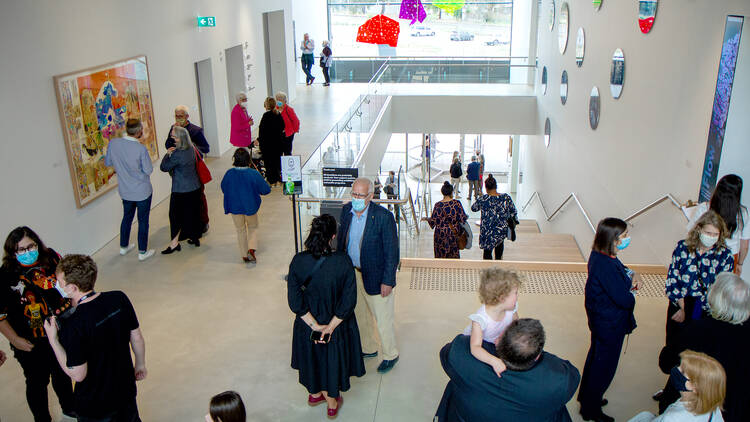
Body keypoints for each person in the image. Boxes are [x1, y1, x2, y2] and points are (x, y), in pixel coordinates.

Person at [44, 254, 146, 421]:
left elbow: (78, 374)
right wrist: (140, 364)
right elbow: (136, 338)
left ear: (72, 288)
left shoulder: (73, 324)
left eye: (60, 283)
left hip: (95, 405)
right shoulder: (118, 298)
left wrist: (53, 341)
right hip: (125, 390)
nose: (57, 285)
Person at [288, 214, 365, 419]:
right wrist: (329, 327)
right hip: (336, 325)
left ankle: (314, 394)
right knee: (330, 362)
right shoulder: (342, 262)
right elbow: (349, 301)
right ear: (332, 236)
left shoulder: (298, 261)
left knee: (312, 359)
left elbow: (295, 303)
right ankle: (331, 403)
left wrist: (315, 326)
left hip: (307, 325)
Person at [436, 318, 580, 421]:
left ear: (497, 342)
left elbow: (445, 354)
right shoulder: (559, 379)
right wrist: (530, 350)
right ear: (537, 356)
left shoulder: (462, 354)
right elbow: (573, 374)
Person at [0, 227, 75, 421]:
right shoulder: (5, 275)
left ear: (37, 243)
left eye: (30, 246)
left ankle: (69, 409)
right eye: (20, 250)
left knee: (62, 373)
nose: (27, 252)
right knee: (36, 382)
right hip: (29, 340)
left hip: (59, 332)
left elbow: (67, 285)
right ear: (12, 252)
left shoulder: (51, 257)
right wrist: (15, 339)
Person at [657, 272, 750, 421]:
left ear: (716, 299)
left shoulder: (699, 330)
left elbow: (666, 363)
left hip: (698, 409)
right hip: (738, 410)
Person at [578, 217, 642, 422]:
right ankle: (591, 409)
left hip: (600, 320)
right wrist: (632, 289)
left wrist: (633, 274)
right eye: (623, 236)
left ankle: (587, 397)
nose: (626, 239)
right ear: (613, 239)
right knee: (603, 366)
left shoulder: (601, 255)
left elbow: (623, 269)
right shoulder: (605, 264)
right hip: (609, 323)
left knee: (595, 358)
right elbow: (624, 299)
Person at [337, 178, 400, 374]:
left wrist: (388, 280)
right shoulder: (346, 213)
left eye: (360, 195)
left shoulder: (383, 217)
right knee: (360, 316)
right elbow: (342, 243)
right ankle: (368, 348)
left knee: (382, 318)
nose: (356, 198)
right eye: (353, 194)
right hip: (353, 274)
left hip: (376, 276)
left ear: (371, 196)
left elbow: (392, 252)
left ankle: (390, 354)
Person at [660, 211, 734, 372]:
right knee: (674, 347)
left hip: (703, 313)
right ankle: (672, 387)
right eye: (708, 232)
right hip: (678, 307)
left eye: (715, 234)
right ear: (699, 229)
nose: (711, 237)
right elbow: (672, 281)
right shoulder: (682, 248)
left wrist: (690, 310)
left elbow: (720, 291)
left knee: (695, 353)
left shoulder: (725, 256)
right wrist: (683, 306)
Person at [104, 118, 155, 262]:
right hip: (142, 191)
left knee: (127, 217)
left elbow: (108, 162)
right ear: (139, 131)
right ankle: (142, 251)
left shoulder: (113, 144)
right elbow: (148, 170)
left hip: (125, 190)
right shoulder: (140, 148)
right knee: (143, 220)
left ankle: (123, 246)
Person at [629, 350, 726, 422]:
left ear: (694, 387)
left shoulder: (672, 418)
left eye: (683, 371)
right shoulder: (711, 405)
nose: (676, 369)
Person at [462, 267, 520, 377]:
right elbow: (475, 347)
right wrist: (494, 361)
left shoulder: (511, 310)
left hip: (497, 342)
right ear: (502, 298)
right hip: (480, 344)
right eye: (515, 293)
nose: (518, 297)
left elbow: (516, 326)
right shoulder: (481, 320)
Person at [685, 174, 748, 276]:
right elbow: (744, 244)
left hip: (704, 252)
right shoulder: (743, 213)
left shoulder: (704, 208)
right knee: (723, 289)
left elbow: (690, 233)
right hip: (731, 257)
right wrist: (740, 264)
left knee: (701, 285)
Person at [220, 148, 271, 264]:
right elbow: (266, 189)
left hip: (234, 207)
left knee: (240, 230)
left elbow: (223, 188)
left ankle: (244, 254)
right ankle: (251, 248)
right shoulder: (253, 174)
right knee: (252, 227)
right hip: (250, 207)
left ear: (234, 159)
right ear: (248, 160)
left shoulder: (229, 173)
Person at [165, 105, 210, 232]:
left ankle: (203, 222)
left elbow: (205, 148)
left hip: (193, 169)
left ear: (187, 116)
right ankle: (186, 224)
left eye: (181, 116)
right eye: (176, 116)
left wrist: (191, 149)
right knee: (183, 200)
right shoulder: (173, 129)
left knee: (199, 198)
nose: (178, 118)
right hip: (178, 170)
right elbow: (168, 144)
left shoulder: (195, 130)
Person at [160, 125, 203, 254]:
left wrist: (167, 154)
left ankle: (174, 244)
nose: (172, 138)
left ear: (179, 138)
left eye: (173, 136)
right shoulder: (192, 148)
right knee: (193, 213)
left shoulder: (177, 154)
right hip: (195, 186)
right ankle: (195, 237)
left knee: (175, 216)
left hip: (181, 190)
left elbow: (164, 167)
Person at [471, 175, 517, 260]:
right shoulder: (505, 198)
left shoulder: (483, 199)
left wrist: (481, 197)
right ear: (496, 186)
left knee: (487, 253)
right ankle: (498, 267)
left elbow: (473, 208)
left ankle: (488, 270)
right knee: (499, 251)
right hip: (500, 230)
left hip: (487, 230)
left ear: (486, 188)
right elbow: (513, 211)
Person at [422, 182, 468, 258]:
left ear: (442, 192)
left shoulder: (438, 205)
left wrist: (427, 219)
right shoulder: (456, 203)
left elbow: (433, 222)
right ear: (451, 192)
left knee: (440, 256)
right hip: (453, 233)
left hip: (440, 234)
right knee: (453, 257)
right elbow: (463, 219)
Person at [257, 97, 285, 186]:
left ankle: (272, 181)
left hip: (268, 145)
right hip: (278, 143)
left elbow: (262, 131)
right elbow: (282, 126)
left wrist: (259, 141)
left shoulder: (266, 116)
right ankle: (278, 179)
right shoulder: (278, 114)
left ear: (267, 105)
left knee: (269, 163)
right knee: (277, 162)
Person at [275, 92, 300, 156]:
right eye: (277, 99)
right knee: (278, 151)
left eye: (280, 99)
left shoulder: (289, 110)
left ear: (284, 101)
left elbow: (296, 121)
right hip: (278, 134)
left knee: (287, 151)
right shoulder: (274, 110)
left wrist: (294, 130)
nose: (278, 101)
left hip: (287, 134)